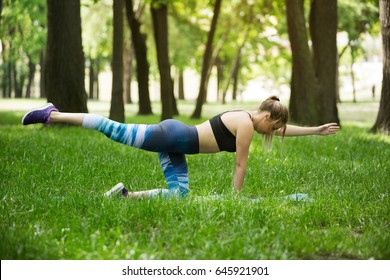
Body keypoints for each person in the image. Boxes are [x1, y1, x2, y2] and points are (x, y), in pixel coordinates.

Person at [22, 96, 339, 199]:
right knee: (111, 127)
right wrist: (235, 200)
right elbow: (240, 165)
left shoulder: (250, 119)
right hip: (170, 136)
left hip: (176, 143)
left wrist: (316, 130)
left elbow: (285, 129)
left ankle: (125, 195)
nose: (273, 132)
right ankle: (52, 114)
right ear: (266, 116)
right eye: (273, 127)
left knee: (179, 196)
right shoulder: (245, 125)